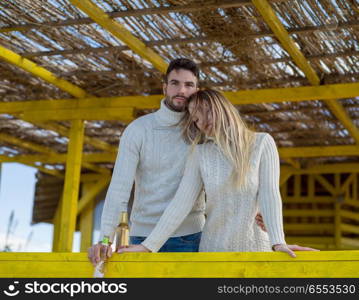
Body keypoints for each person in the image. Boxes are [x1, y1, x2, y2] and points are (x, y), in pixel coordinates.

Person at [88, 58, 270, 266]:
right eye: (175, 83)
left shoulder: (205, 131)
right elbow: (119, 189)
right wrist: (105, 239)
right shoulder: (138, 130)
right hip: (142, 236)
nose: (181, 90)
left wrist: (256, 207)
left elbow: (235, 173)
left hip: (190, 237)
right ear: (164, 86)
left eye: (189, 85)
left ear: (197, 89)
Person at [118, 89, 319, 256]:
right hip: (213, 252)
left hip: (256, 250)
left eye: (207, 111)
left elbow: (270, 194)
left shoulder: (262, 143)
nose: (203, 121)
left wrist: (278, 242)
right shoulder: (200, 153)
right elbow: (181, 204)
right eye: (196, 119)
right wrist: (148, 246)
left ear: (223, 109)